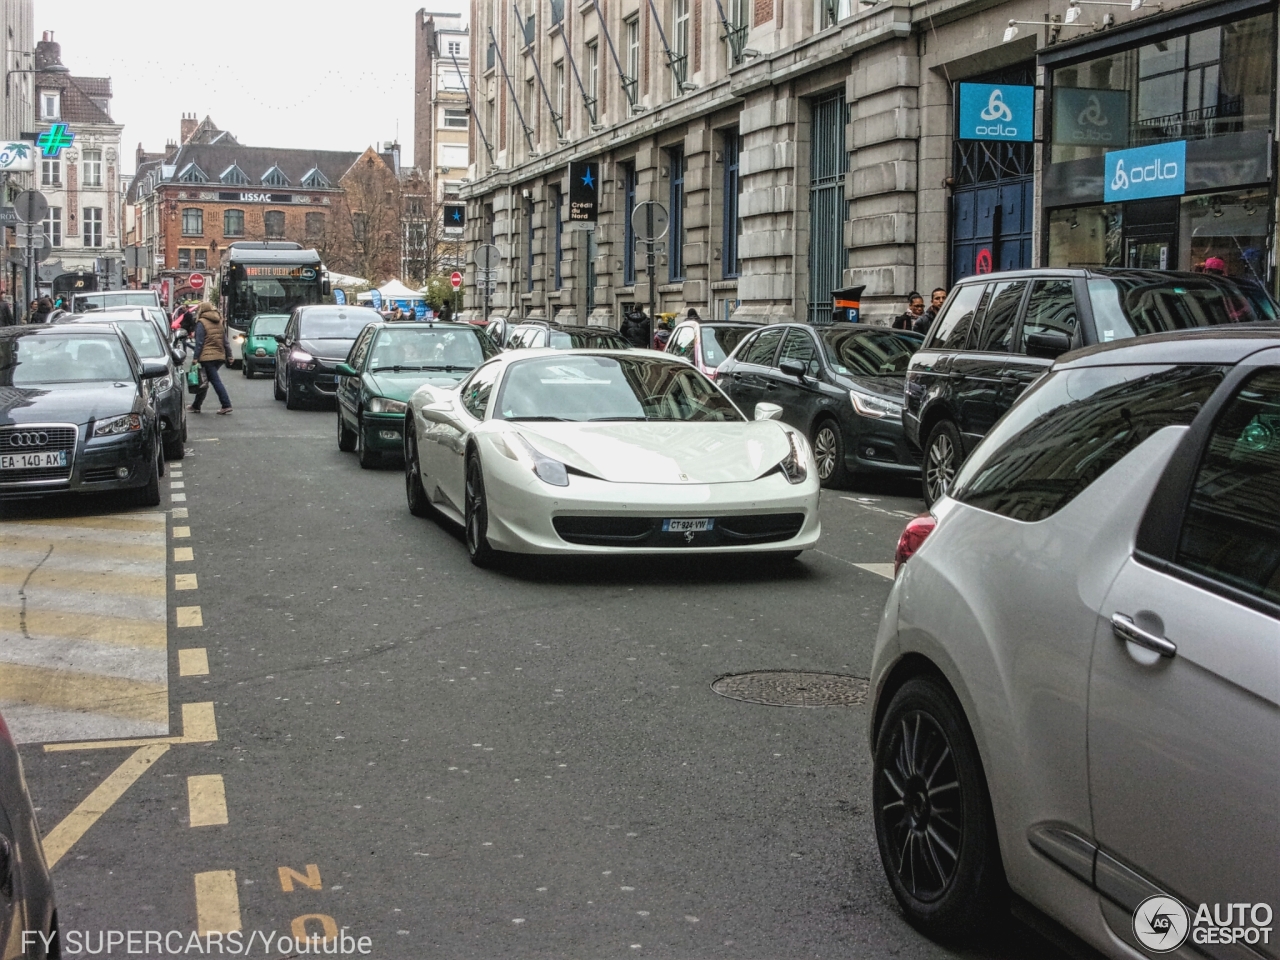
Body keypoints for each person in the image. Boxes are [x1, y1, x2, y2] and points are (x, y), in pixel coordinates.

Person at [188, 301, 233, 415]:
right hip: (219, 356)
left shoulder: (201, 323)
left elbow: (199, 342)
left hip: (207, 357)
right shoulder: (219, 321)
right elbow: (225, 341)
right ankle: (196, 405)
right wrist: (229, 355)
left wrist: (195, 358)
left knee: (214, 381)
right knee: (204, 380)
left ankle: (226, 404)